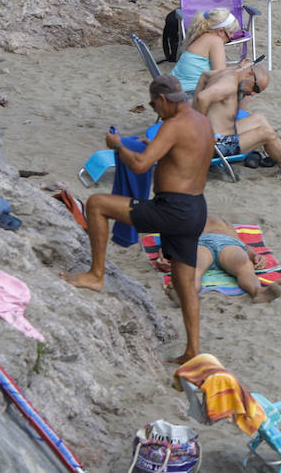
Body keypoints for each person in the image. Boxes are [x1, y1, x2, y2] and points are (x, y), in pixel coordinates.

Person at [62, 76, 214, 364]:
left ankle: (95, 275)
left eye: (153, 104)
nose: (155, 110)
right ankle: (193, 349)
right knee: (184, 280)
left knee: (96, 204)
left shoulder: (173, 125)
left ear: (164, 100)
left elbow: (142, 165)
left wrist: (118, 146)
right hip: (196, 208)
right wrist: (153, 143)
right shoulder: (201, 122)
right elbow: (184, 153)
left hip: (172, 209)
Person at [190, 61, 281, 180]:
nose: (252, 94)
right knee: (266, 133)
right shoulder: (229, 84)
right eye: (255, 88)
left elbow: (204, 76)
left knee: (259, 118)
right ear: (249, 74)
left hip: (218, 134)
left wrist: (194, 114)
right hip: (213, 146)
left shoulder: (230, 72)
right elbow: (203, 97)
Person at [194, 216, 281, 302]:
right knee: (194, 267)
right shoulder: (193, 218)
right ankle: (186, 293)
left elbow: (243, 244)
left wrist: (254, 255)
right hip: (203, 242)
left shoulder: (228, 225)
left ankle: (258, 292)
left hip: (229, 243)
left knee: (244, 264)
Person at [170, 8, 242, 93]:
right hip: (189, 93)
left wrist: (239, 67)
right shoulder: (215, 41)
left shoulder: (200, 37)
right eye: (230, 32)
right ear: (221, 31)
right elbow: (221, 76)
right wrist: (242, 69)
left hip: (174, 89)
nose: (232, 36)